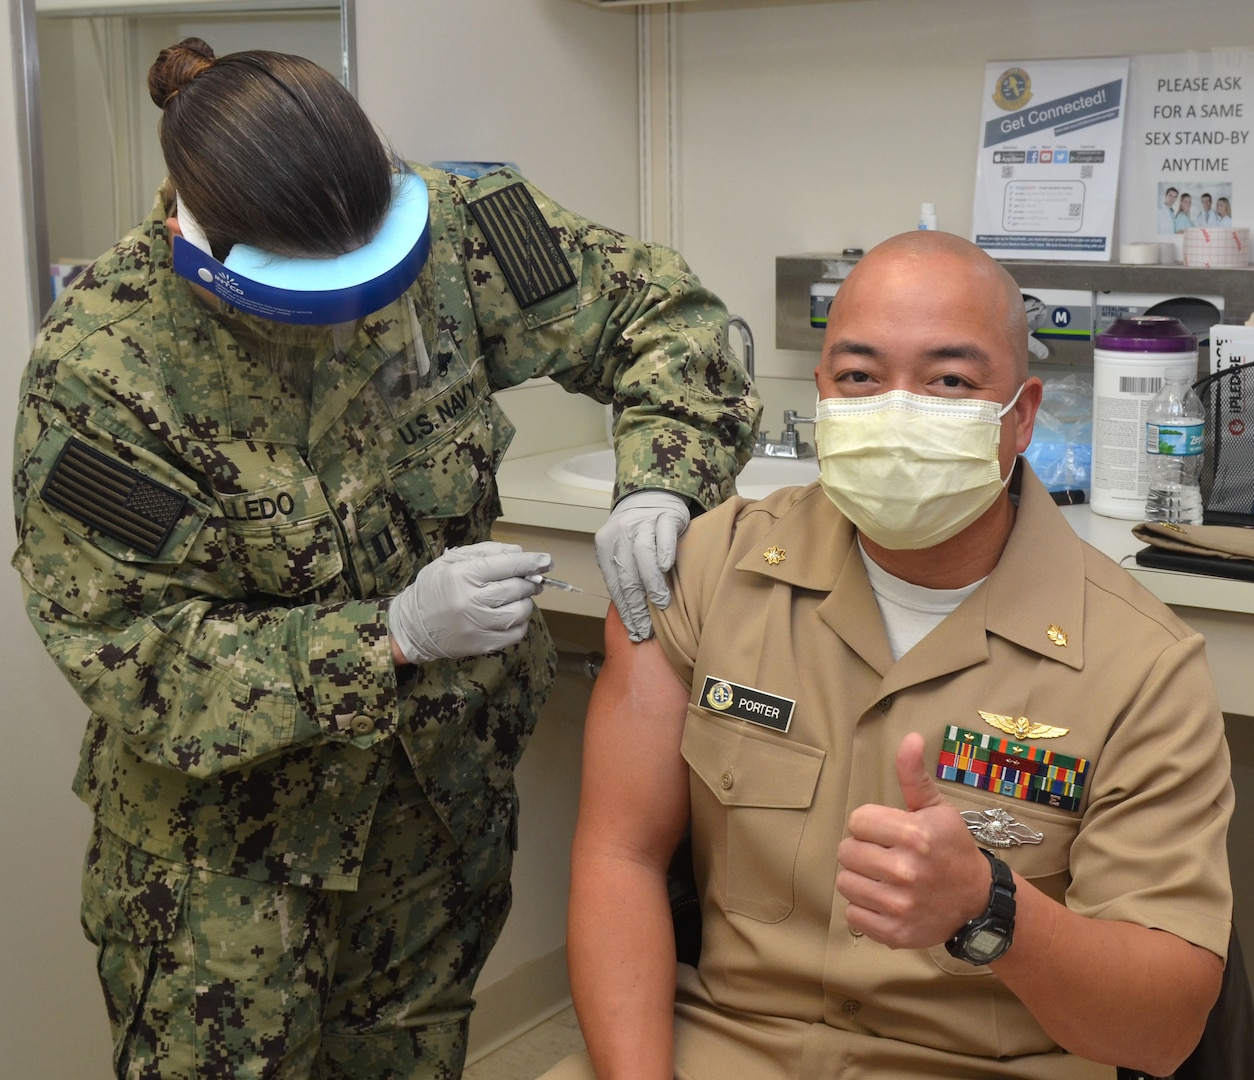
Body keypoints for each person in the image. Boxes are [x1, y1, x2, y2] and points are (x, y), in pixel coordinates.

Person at [10, 38, 759, 1080]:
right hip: (228, 876)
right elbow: (139, 655)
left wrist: (663, 477)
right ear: (212, 250)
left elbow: (668, 322)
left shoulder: (460, 227)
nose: (363, 314)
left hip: (438, 824)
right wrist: (389, 637)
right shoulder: (104, 370)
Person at [545, 231, 1234, 1079]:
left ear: (1019, 415)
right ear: (824, 392)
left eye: (949, 381)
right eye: (862, 378)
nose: (898, 410)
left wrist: (993, 909)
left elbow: (1162, 1033)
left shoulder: (1140, 664)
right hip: (726, 1049)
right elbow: (621, 855)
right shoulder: (707, 572)